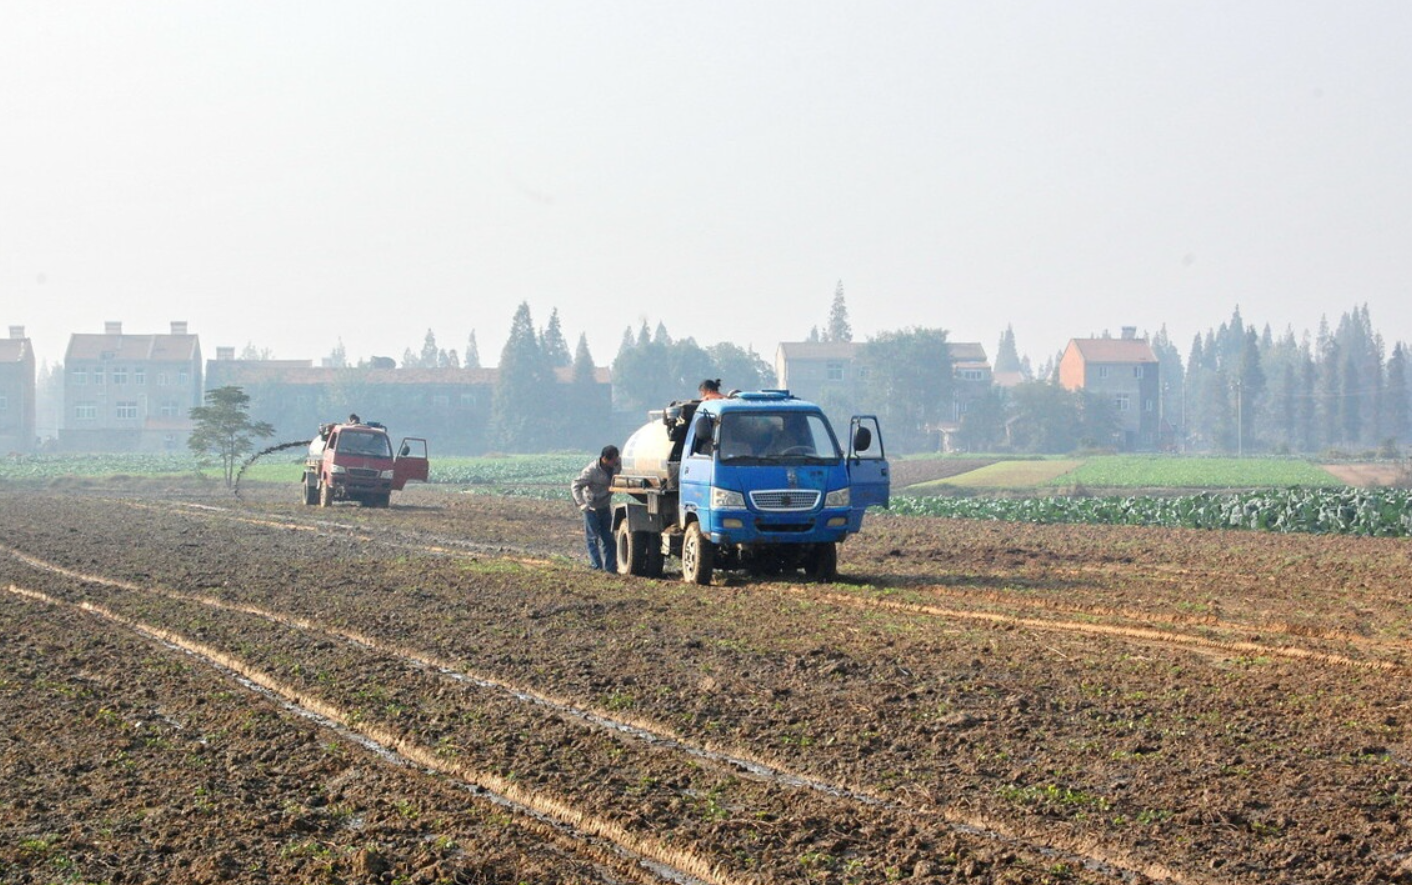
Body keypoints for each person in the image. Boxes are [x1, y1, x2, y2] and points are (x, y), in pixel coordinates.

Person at [571, 445, 621, 571]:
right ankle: (597, 567)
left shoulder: (617, 464)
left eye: (616, 459)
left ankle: (610, 569)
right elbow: (575, 485)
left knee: (609, 539)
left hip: (605, 505)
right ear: (604, 459)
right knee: (593, 538)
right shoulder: (591, 471)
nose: (615, 462)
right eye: (613, 460)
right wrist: (581, 504)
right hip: (591, 508)